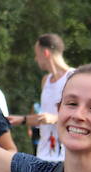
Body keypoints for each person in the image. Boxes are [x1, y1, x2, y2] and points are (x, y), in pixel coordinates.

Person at [24, 33, 73, 162]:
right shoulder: (45, 80)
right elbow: (44, 117)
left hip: (67, 154)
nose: (36, 59)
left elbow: (82, 115)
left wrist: (55, 118)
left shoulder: (74, 77)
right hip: (44, 153)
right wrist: (20, 120)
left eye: (37, 54)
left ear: (45, 53)